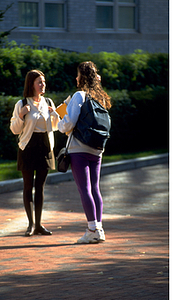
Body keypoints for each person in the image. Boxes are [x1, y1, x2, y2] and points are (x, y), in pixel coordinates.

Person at [58, 61, 111, 244]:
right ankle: (99, 229)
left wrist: (59, 123)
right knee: (95, 188)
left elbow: (69, 123)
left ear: (82, 77)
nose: (76, 77)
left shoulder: (79, 95)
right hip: (97, 148)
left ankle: (91, 230)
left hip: (79, 148)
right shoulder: (100, 97)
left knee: (84, 189)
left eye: (78, 74)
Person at [10, 70, 60, 236]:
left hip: (45, 147)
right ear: (31, 84)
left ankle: (39, 224)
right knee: (27, 187)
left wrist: (54, 115)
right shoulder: (22, 103)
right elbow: (15, 129)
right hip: (28, 148)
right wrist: (21, 115)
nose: (42, 85)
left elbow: (55, 127)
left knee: (40, 187)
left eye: (44, 82)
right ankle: (30, 225)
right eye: (39, 82)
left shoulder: (48, 102)